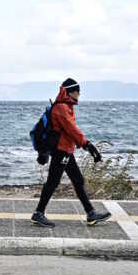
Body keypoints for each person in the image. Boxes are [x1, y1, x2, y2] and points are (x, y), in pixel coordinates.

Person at [31, 78, 112, 227]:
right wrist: (88, 145)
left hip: (67, 150)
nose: (79, 94)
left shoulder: (66, 106)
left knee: (78, 180)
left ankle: (91, 213)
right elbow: (72, 129)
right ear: (70, 92)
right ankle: (38, 213)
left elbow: (70, 132)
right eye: (77, 92)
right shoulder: (61, 108)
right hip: (61, 151)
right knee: (53, 182)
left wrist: (86, 146)